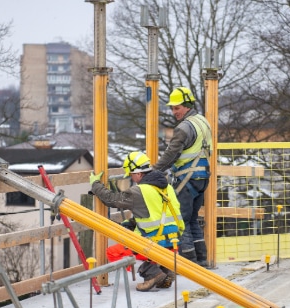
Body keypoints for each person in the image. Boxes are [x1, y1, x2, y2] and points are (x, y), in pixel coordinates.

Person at [90, 151, 185, 292]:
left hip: (155, 241)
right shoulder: (167, 187)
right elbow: (158, 212)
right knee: (145, 242)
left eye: (131, 174)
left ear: (139, 173)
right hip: (175, 241)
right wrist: (134, 222)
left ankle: (151, 273)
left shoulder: (139, 191)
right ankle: (166, 269)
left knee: (114, 252)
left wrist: (96, 185)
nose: (131, 178)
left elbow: (111, 199)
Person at [152, 87, 212, 268]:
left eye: (177, 108)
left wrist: (154, 172)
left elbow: (171, 154)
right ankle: (202, 260)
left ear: (187, 106)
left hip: (187, 179)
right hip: (202, 179)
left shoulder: (184, 128)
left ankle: (189, 265)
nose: (174, 112)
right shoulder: (203, 121)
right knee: (192, 220)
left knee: (181, 222)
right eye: (172, 108)